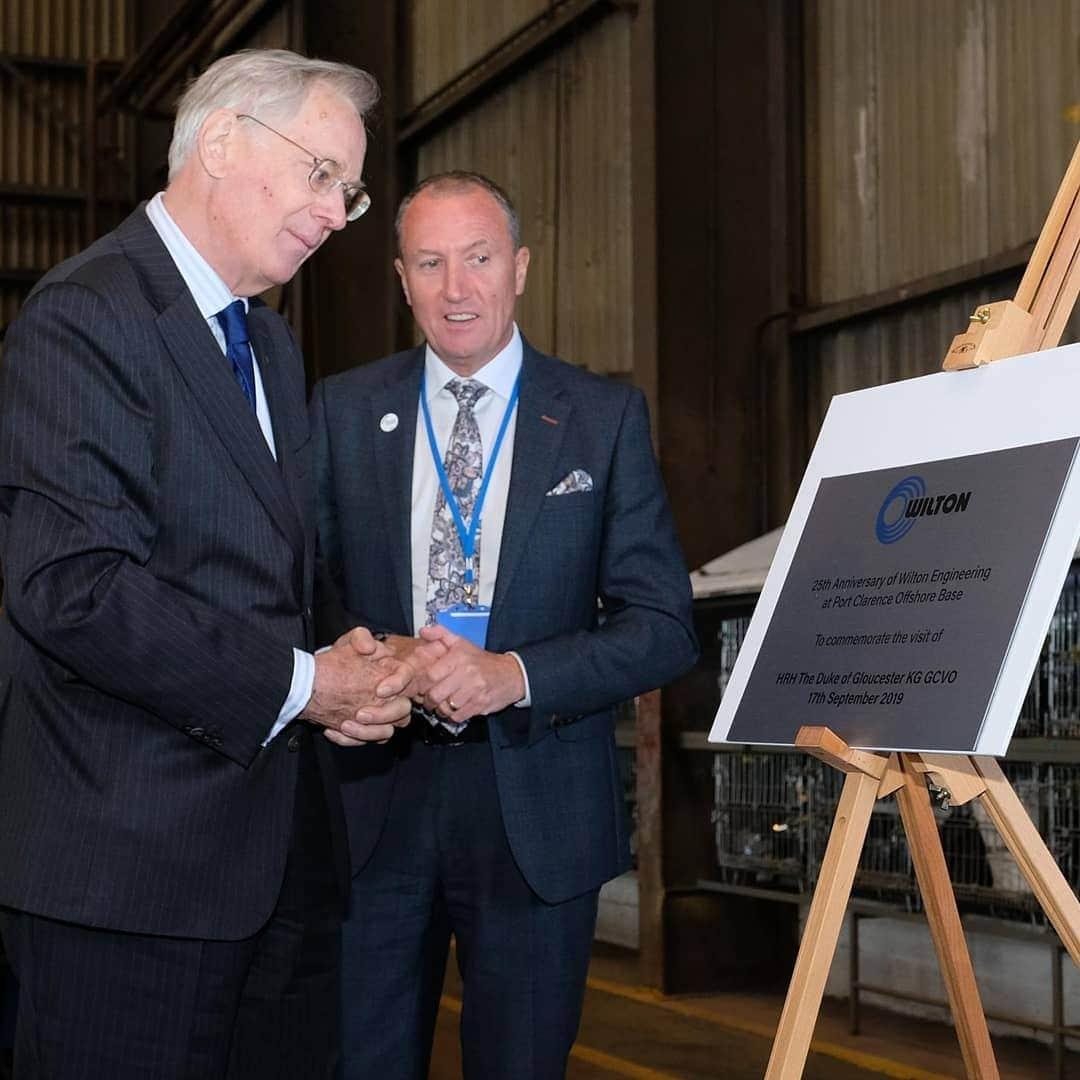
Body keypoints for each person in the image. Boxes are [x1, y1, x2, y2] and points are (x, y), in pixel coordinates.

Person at [0, 48, 413, 1079]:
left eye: (349, 193)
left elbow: (253, 573)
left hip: (273, 872)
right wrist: (308, 684)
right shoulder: (86, 314)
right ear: (221, 141)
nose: (334, 214)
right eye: (322, 174)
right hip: (128, 879)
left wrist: (345, 663)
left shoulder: (268, 347)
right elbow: (74, 589)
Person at [311, 170, 698, 1079]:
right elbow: (304, 589)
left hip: (536, 804)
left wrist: (512, 673)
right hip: (373, 800)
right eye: (431, 262)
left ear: (519, 267)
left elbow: (662, 625)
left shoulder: (602, 420)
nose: (457, 288)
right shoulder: (339, 410)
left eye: (479, 258)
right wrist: (360, 654)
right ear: (401, 280)